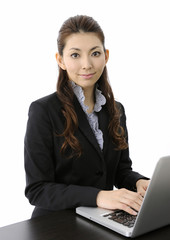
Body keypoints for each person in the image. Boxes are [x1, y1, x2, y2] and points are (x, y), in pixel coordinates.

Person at [24, 15, 149, 219]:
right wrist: (98, 196)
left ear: (106, 56)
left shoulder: (116, 110)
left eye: (95, 53)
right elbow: (38, 189)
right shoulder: (43, 111)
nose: (87, 64)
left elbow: (120, 171)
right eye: (75, 55)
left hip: (103, 220)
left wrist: (138, 182)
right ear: (60, 60)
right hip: (56, 224)